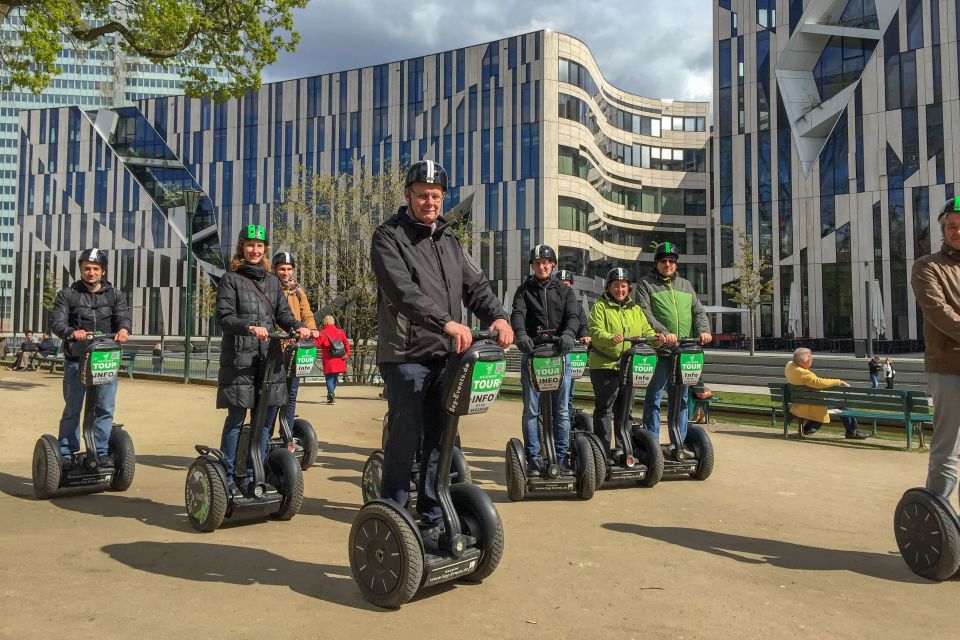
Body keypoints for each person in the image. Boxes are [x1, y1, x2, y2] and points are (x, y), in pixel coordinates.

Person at [370, 159, 513, 537]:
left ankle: (433, 515)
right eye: (422, 195)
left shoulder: (448, 240)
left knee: (441, 435)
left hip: (444, 354)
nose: (429, 202)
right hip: (404, 354)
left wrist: (497, 316)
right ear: (408, 195)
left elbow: (476, 285)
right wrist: (446, 322)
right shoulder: (388, 237)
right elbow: (402, 292)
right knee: (407, 433)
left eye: (436, 196)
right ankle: (394, 515)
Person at [216, 225, 311, 495]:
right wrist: (249, 326)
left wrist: (298, 326)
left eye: (259, 246)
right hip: (240, 359)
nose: (255, 250)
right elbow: (224, 317)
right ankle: (229, 475)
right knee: (237, 418)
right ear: (242, 248)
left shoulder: (271, 281)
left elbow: (282, 313)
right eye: (250, 245)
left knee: (264, 419)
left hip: (270, 359)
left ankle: (253, 470)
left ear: (265, 249)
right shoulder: (230, 279)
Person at [49, 248, 131, 464]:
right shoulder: (67, 295)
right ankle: (66, 453)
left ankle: (100, 452)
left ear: (102, 271)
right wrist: (70, 332)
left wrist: (123, 330)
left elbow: (123, 318)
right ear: (81, 270)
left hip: (105, 359)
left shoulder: (115, 295)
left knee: (104, 408)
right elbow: (57, 323)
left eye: (95, 268)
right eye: (87, 268)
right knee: (73, 409)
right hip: (78, 359)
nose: (91, 272)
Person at [511, 246, 580, 476]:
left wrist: (569, 334)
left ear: (553, 265)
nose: (542, 266)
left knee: (561, 411)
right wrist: (520, 335)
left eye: (547, 262)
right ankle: (533, 459)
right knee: (532, 411)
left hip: (560, 354)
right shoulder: (523, 291)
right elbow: (518, 315)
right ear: (532, 265)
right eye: (538, 262)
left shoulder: (564, 290)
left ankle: (561, 458)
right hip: (533, 354)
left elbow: (573, 316)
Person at [636, 242, 712, 451]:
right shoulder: (645, 284)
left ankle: (679, 443)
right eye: (663, 261)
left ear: (676, 264)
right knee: (654, 397)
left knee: (682, 399)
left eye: (671, 261)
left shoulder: (686, 285)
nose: (667, 264)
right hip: (660, 351)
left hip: (684, 352)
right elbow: (644, 312)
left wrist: (704, 330)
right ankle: (651, 444)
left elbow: (698, 311)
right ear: (657, 263)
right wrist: (663, 332)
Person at [911, 197, 960, 501]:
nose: (957, 231)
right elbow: (938, 312)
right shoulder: (927, 266)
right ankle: (939, 523)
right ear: (943, 231)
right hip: (950, 368)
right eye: (952, 226)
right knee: (948, 449)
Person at [588, 268, 664, 458]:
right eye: (615, 286)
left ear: (628, 288)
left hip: (629, 366)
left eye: (623, 286)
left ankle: (624, 450)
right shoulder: (600, 307)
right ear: (609, 287)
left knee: (626, 410)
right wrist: (610, 338)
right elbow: (595, 332)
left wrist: (656, 339)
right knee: (605, 409)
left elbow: (647, 331)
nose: (619, 290)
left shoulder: (636, 310)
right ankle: (602, 453)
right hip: (605, 366)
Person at [272, 252, 319, 423]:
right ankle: (266, 435)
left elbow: (306, 312)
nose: (286, 272)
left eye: (289, 269)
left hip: (294, 347)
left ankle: (287, 434)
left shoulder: (297, 290)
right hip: (276, 345)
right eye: (282, 269)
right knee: (274, 394)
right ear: (275, 269)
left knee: (291, 394)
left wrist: (312, 329)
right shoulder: (271, 288)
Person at [785, 347, 869, 439]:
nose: (812, 360)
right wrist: (838, 381)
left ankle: (810, 427)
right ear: (802, 362)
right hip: (810, 403)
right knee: (843, 404)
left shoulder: (790, 366)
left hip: (800, 402)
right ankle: (852, 431)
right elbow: (819, 382)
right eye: (810, 359)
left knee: (823, 404)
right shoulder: (804, 374)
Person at [558, 269, 591, 421]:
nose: (565, 287)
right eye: (561, 284)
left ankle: (567, 423)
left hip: (571, 351)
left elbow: (583, 325)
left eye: (568, 284)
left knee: (569, 393)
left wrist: (584, 335)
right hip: (554, 351)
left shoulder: (578, 307)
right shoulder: (551, 304)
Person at [317, 315, 349, 404]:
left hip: (328, 360)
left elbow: (317, 344)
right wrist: (347, 354)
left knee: (329, 378)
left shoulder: (323, 333)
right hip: (339, 359)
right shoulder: (340, 332)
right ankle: (331, 394)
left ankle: (331, 395)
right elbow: (346, 343)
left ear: (325, 322)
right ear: (333, 322)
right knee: (335, 378)